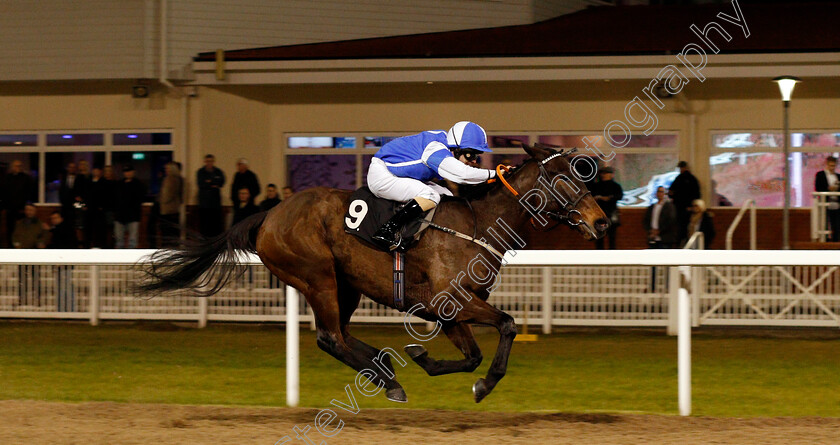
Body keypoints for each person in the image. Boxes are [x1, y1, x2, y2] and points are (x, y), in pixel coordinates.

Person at [366, 121, 497, 250]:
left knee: (447, 196)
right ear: (456, 149)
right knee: (430, 195)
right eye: (470, 154)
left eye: (476, 155)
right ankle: (387, 230)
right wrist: (494, 174)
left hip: (399, 174)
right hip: (383, 175)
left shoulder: (442, 142)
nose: (474, 160)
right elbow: (462, 175)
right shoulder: (435, 148)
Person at [12, 204, 48, 306]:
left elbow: (44, 236)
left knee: (35, 277)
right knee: (22, 278)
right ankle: (21, 299)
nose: (29, 212)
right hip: (22, 255)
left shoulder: (40, 224)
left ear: (35, 211)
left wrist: (41, 243)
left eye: (31, 210)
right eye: (27, 210)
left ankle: (37, 299)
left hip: (34, 254)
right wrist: (16, 244)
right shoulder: (19, 223)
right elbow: (15, 236)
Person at [46, 211, 77, 312]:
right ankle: (63, 309)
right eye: (52, 219)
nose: (54, 220)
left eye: (56, 218)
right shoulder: (57, 230)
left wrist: (61, 260)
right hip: (61, 263)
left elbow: (67, 246)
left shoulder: (63, 230)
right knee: (62, 286)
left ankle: (68, 309)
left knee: (65, 286)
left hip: (65, 263)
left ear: (61, 218)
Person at [3, 160, 37, 247]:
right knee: (10, 229)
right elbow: (4, 192)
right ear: (12, 167)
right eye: (16, 166)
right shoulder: (7, 178)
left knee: (23, 228)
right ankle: (11, 246)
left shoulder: (26, 178)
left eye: (20, 166)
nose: (18, 168)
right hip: (10, 208)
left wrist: (25, 205)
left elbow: (30, 192)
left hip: (22, 208)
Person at [668, 161, 701, 246]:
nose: (681, 169)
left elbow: (671, 193)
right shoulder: (687, 179)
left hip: (682, 209)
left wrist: (691, 206)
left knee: (683, 229)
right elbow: (697, 195)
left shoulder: (683, 179)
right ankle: (684, 244)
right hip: (683, 209)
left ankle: (683, 244)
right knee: (683, 229)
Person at [590, 167, 623, 250]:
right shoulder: (596, 186)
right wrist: (596, 198)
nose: (604, 175)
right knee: (599, 239)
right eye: (602, 173)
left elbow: (619, 196)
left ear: (611, 175)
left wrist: (608, 198)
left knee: (612, 238)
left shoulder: (615, 186)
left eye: (606, 173)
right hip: (599, 215)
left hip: (611, 214)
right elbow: (589, 197)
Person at [114, 165, 146, 249]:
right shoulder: (119, 184)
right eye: (126, 172)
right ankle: (119, 259)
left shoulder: (138, 184)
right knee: (119, 239)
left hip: (133, 215)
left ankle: (131, 259)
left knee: (133, 239)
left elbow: (140, 198)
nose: (128, 173)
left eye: (129, 171)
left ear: (133, 172)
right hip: (120, 215)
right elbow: (115, 198)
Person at [197, 154, 225, 238]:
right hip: (204, 205)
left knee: (216, 227)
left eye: (211, 161)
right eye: (207, 161)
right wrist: (213, 183)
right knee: (204, 228)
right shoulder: (201, 172)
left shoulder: (218, 171)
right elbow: (201, 184)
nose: (209, 163)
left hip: (215, 205)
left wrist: (209, 182)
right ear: (205, 162)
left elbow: (221, 182)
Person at [158, 162, 183, 247]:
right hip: (169, 209)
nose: (166, 170)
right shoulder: (174, 179)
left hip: (169, 210)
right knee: (169, 233)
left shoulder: (172, 179)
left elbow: (168, 194)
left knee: (169, 233)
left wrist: (162, 200)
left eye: (168, 168)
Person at [815, 156, 840, 241]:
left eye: (833, 166)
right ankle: (824, 242)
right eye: (830, 165)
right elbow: (818, 188)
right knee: (824, 224)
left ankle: (835, 242)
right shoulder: (820, 175)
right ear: (826, 164)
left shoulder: (838, 176)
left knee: (836, 224)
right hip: (825, 203)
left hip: (836, 203)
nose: (832, 168)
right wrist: (828, 189)